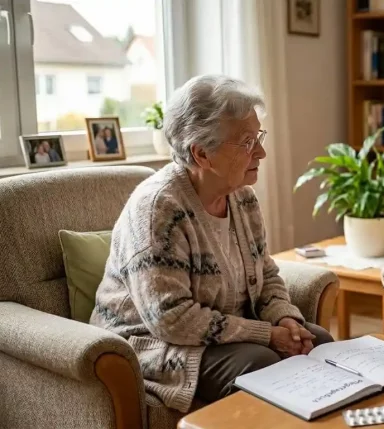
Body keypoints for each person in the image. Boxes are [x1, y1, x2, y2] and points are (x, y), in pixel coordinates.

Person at [90, 74, 334, 413]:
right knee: (261, 364)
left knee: (319, 343)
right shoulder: (159, 210)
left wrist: (284, 319)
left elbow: (266, 272)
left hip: (219, 334)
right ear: (201, 154)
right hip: (154, 343)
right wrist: (266, 334)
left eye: (258, 136)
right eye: (247, 142)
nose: (261, 152)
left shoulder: (242, 197)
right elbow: (171, 319)